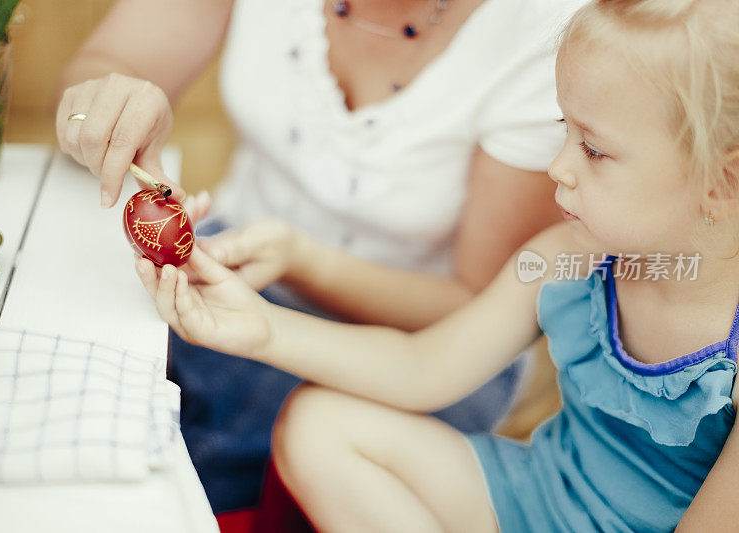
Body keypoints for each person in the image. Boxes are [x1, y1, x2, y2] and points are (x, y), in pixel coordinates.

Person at [134, 0, 739, 529]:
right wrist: (263, 330)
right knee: (317, 424)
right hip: (532, 497)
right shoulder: (564, 261)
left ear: (722, 182)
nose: (557, 166)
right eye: (564, 130)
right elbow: (423, 367)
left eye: (595, 150)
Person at [55, 0, 584, 510]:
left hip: (430, 352)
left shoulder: (545, 31)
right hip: (235, 273)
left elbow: (479, 308)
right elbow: (103, 67)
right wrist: (103, 107)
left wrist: (302, 262)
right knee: (86, 379)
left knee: (182, 461)